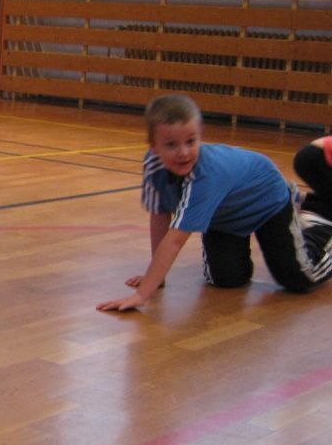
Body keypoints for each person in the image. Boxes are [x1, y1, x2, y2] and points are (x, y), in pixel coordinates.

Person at [98, 94, 332, 312]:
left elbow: (175, 239)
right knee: (225, 280)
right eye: (171, 145)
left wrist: (142, 295)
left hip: (268, 203)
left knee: (298, 278)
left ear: (200, 136)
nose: (183, 152)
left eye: (191, 141)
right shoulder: (153, 165)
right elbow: (159, 215)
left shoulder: (205, 176)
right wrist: (156, 278)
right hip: (227, 217)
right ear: (153, 147)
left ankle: (319, 222)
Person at [293, 135, 332, 221]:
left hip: (310, 155)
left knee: (327, 197)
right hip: (314, 158)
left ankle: (300, 199)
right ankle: (296, 207)